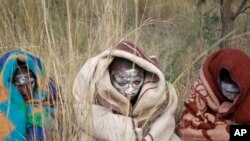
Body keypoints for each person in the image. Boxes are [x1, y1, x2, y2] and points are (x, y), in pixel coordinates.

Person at [73, 41, 181, 141]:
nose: (130, 90)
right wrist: (128, 133)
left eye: (137, 82)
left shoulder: (159, 92)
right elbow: (84, 115)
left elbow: (165, 123)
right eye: (121, 83)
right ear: (109, 77)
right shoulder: (91, 82)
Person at [176, 48, 250, 141]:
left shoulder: (247, 92)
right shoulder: (202, 88)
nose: (231, 88)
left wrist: (229, 133)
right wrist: (218, 132)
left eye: (237, 83)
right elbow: (184, 130)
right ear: (216, 76)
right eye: (227, 79)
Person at [0, 50, 59, 141]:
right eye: (19, 85)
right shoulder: (3, 107)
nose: (25, 91)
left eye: (30, 83)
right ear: (9, 84)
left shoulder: (50, 95)